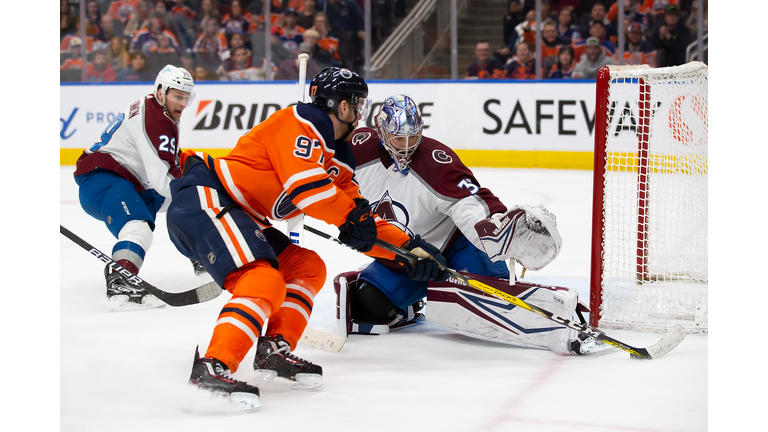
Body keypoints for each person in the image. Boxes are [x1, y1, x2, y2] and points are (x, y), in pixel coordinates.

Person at [165, 68, 446, 411]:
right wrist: (349, 216)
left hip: (242, 212)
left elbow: (360, 224)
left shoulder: (339, 155)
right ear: (341, 105)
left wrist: (407, 250)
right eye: (357, 102)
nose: (361, 110)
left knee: (307, 267)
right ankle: (213, 365)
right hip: (207, 196)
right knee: (263, 279)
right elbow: (307, 188)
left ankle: (274, 349)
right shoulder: (301, 121)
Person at [333, 94, 596, 357]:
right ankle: (408, 308)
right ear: (381, 132)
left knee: (494, 301)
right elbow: (320, 172)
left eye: (413, 136)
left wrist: (498, 227)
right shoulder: (358, 149)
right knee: (366, 306)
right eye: (399, 138)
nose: (406, 145)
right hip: (408, 257)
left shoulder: (436, 162)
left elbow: (472, 201)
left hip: (456, 247)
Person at [73, 65, 195, 310]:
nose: (182, 103)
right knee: (138, 228)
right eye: (177, 96)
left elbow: (166, 169)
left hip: (129, 183)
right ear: (161, 92)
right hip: (104, 180)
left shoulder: (157, 110)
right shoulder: (154, 118)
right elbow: (162, 178)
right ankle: (121, 278)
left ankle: (200, 255)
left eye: (186, 97)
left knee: (185, 202)